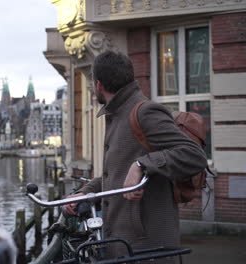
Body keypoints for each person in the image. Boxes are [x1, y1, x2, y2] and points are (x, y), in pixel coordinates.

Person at [64, 51, 207, 262]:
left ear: (99, 85)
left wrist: (141, 164)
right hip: (123, 244)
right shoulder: (118, 113)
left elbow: (194, 155)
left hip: (146, 247)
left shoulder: (143, 112)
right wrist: (85, 193)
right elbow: (116, 175)